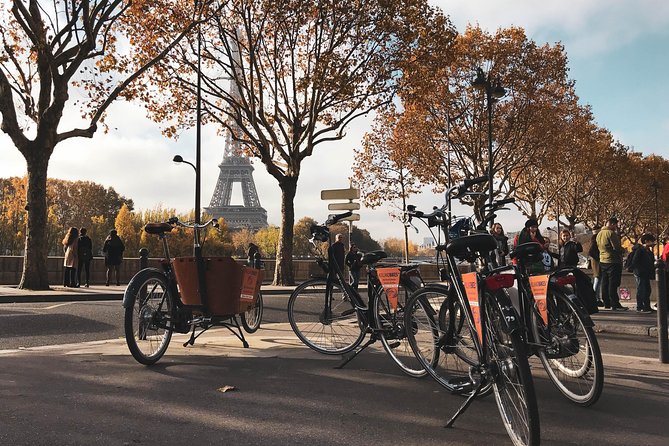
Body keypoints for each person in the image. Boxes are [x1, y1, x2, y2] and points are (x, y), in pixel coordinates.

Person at [596, 217, 627, 310]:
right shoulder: (611, 233)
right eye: (615, 225)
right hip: (613, 261)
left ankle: (607, 303)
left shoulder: (599, 234)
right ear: (612, 224)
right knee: (612, 283)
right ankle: (615, 303)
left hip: (603, 260)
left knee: (604, 283)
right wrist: (623, 250)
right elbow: (616, 248)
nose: (616, 227)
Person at [629, 234, 656, 313]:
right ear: (646, 241)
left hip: (645, 273)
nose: (653, 243)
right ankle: (641, 307)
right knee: (642, 289)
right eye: (652, 241)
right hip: (640, 273)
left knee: (647, 289)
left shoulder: (649, 251)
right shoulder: (640, 250)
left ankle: (646, 306)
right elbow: (635, 261)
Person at [588, 231, 604, 306]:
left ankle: (596, 298)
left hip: (596, 262)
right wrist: (599, 258)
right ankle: (595, 298)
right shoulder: (595, 239)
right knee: (597, 279)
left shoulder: (593, 239)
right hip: (597, 263)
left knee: (597, 279)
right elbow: (591, 252)